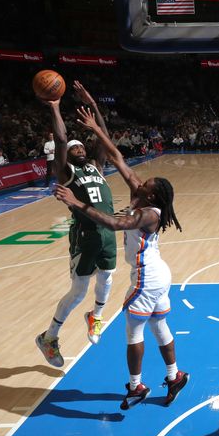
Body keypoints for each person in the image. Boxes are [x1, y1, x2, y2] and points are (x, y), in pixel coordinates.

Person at [55, 107, 187, 410]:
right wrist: (97, 126)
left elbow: (114, 224)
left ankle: (136, 385)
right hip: (157, 273)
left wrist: (77, 203)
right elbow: (116, 157)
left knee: (133, 331)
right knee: (158, 326)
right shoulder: (142, 197)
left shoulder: (146, 213)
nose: (141, 182)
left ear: (152, 196)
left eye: (147, 184)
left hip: (146, 275)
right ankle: (174, 375)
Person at [35, 81, 117, 367]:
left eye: (81, 146)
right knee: (79, 291)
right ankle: (49, 337)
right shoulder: (65, 172)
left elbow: (103, 135)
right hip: (84, 234)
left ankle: (96, 316)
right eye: (74, 148)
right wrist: (56, 107)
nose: (79, 149)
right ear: (67, 156)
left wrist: (93, 103)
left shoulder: (96, 166)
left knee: (108, 278)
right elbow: (60, 140)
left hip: (107, 230)